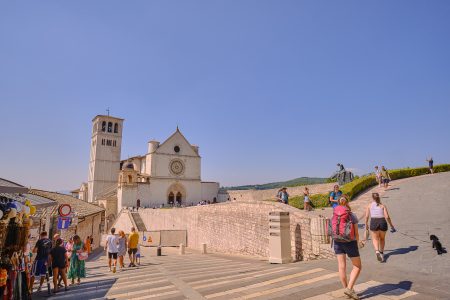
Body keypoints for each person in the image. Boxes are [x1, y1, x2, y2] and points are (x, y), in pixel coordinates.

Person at [332, 196, 362, 300]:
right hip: (350, 242)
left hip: (337, 241)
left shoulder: (335, 213)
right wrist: (359, 242)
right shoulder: (351, 215)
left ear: (339, 202)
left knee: (341, 267)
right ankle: (349, 289)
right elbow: (356, 233)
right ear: (347, 202)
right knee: (357, 266)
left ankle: (346, 289)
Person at [363, 193, 396, 262]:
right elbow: (387, 217)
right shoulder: (382, 206)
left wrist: (366, 224)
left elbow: (366, 216)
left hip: (374, 221)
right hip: (382, 222)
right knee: (382, 239)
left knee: (375, 239)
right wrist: (392, 226)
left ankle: (377, 252)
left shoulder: (369, 205)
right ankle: (381, 253)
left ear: (372, 198)